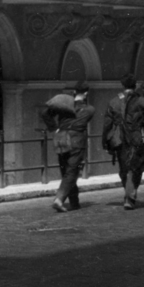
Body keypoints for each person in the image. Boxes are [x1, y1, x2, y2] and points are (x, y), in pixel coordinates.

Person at [102, 75, 144, 209]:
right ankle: (130, 196)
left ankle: (128, 194)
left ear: (122, 86)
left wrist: (105, 142)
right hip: (138, 138)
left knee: (124, 168)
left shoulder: (114, 102)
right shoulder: (142, 101)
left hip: (119, 140)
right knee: (137, 166)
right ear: (135, 85)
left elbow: (107, 124)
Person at [45, 81, 94, 213]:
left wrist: (54, 128)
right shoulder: (90, 110)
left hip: (61, 138)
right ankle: (59, 199)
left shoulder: (63, 105)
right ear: (86, 93)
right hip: (77, 141)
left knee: (66, 171)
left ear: (74, 92)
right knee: (72, 171)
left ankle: (74, 202)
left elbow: (46, 114)